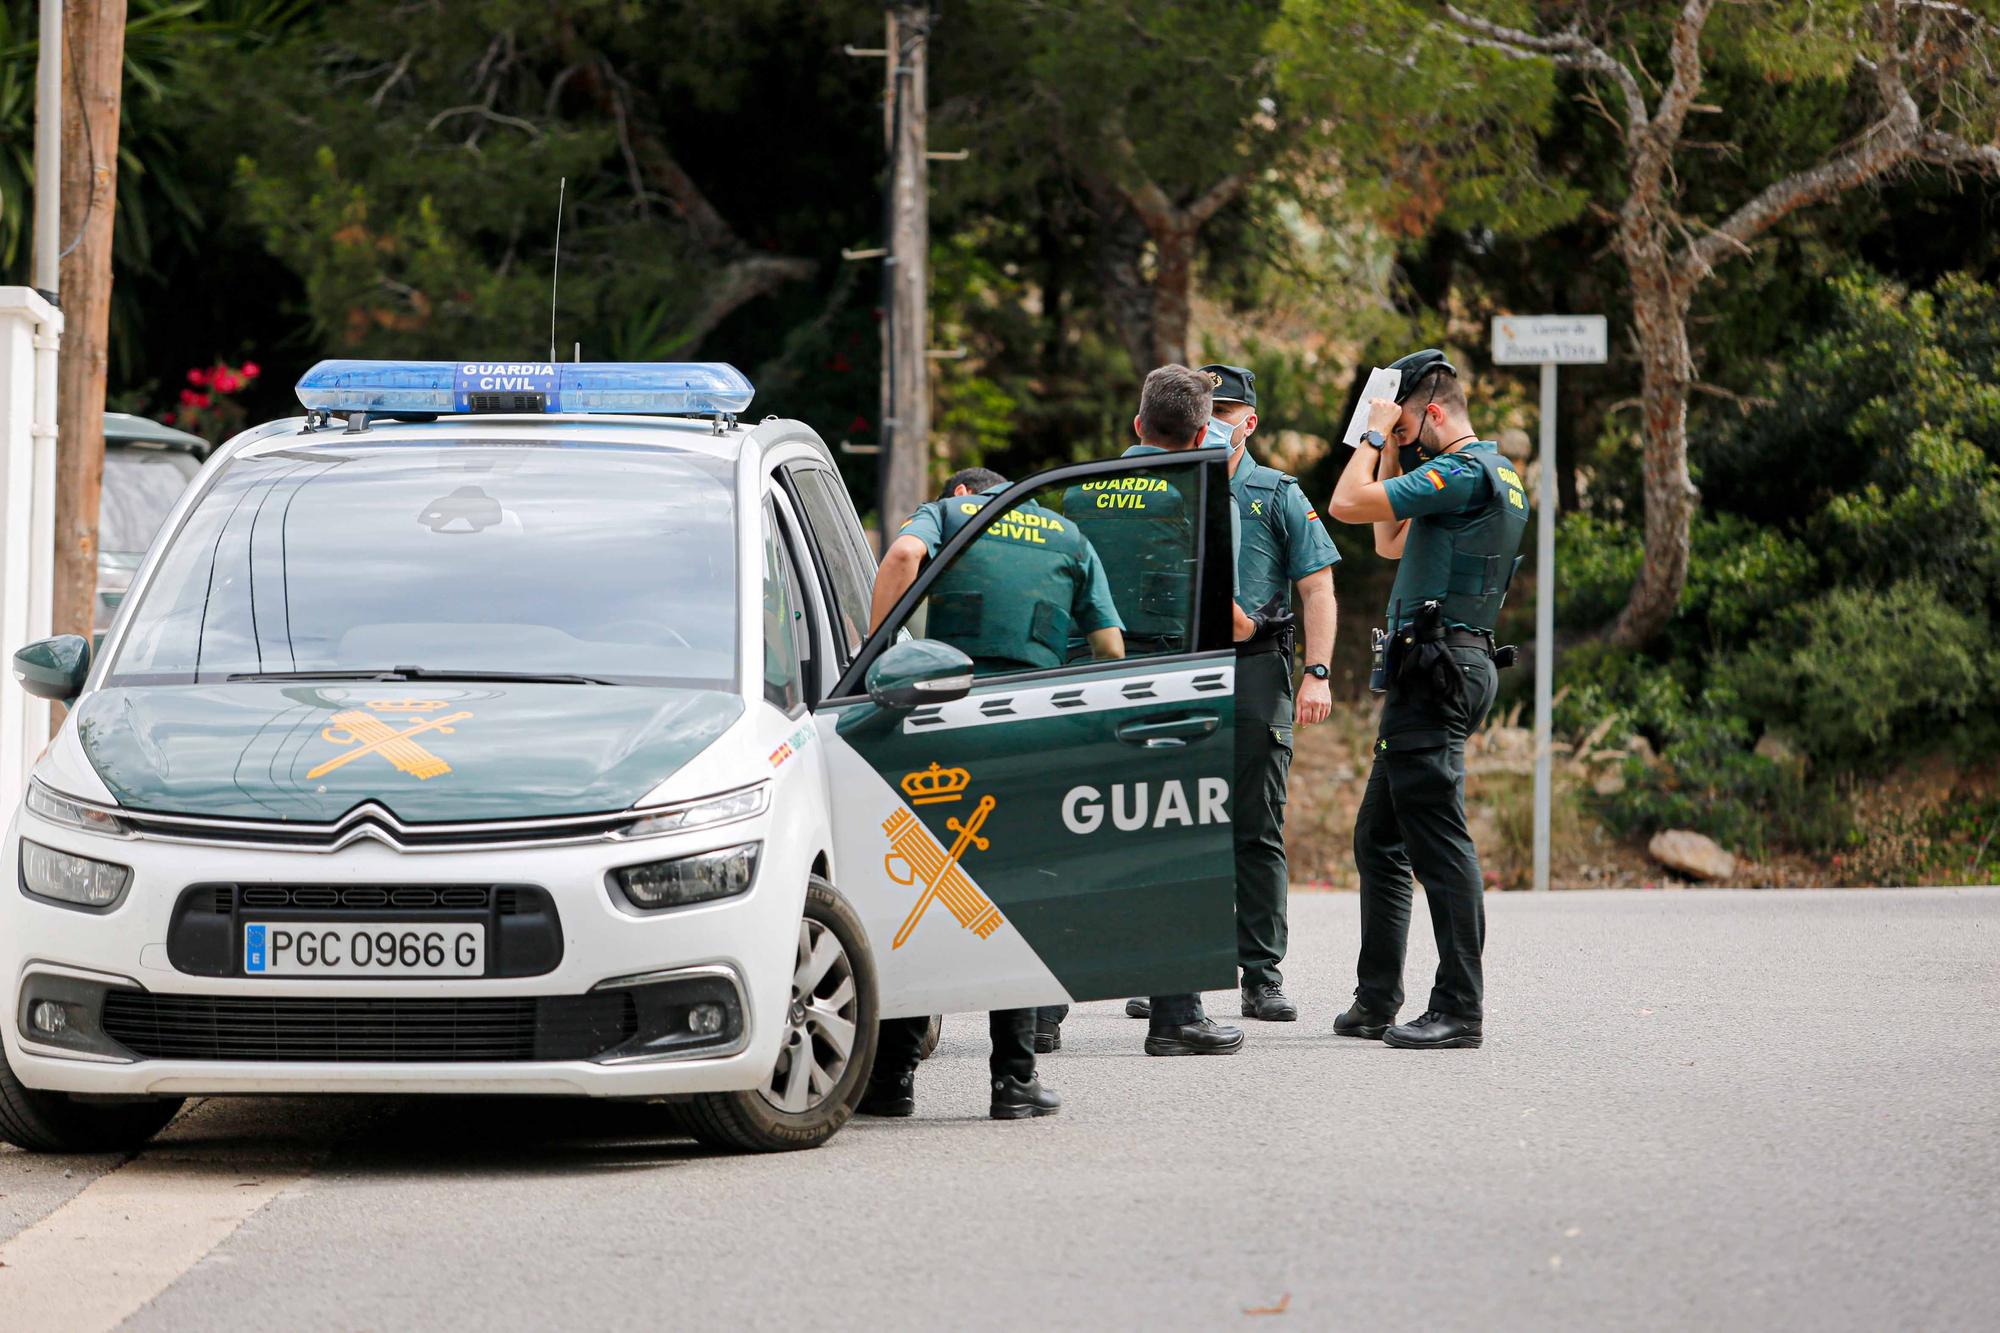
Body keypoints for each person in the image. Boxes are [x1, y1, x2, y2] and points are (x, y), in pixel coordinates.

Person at [858, 467, 1124, 1119]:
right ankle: (1014, 1079)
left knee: (923, 888)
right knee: (1020, 893)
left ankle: (892, 1079)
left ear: (960, 496)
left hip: (943, 716)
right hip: (1028, 729)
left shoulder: (950, 517)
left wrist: (875, 653)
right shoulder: (1068, 534)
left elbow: (900, 555)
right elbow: (1112, 648)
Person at [1122, 363, 1340, 1027]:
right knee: (1162, 823)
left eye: (1230, 410)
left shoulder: (1274, 493)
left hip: (1252, 669)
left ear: (1250, 421)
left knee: (1255, 826)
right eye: (1208, 410)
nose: (1218, 420)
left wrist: (1318, 672)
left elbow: (1318, 587)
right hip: (1168, 668)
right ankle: (1164, 971)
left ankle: (1261, 973)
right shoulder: (1151, 486)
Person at [1325, 349, 1529, 1050]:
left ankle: (1459, 1009)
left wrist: (1375, 435)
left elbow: (1345, 506)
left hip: (1438, 668)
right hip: (1444, 666)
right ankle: (1377, 998)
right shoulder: (1489, 474)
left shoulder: (1463, 471)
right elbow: (1388, 539)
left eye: (1412, 420)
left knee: (1439, 843)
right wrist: (1395, 448)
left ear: (1434, 412)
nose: (1401, 432)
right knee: (1379, 835)